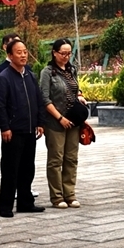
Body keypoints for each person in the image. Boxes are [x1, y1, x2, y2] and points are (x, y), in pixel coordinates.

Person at [0, 38, 46, 218]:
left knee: (27, 168)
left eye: (25, 52)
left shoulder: (30, 75)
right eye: (19, 52)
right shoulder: (4, 77)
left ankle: (25, 202)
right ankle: (5, 206)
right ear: (10, 55)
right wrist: (4, 127)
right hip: (13, 131)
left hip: (30, 129)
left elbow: (38, 100)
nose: (23, 55)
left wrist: (40, 122)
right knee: (10, 169)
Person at [40, 38, 88, 209]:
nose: (66, 56)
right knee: (56, 159)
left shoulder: (71, 69)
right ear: (54, 53)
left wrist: (80, 96)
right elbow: (45, 99)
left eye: (69, 53)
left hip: (73, 120)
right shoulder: (47, 72)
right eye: (63, 53)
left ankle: (70, 194)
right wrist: (60, 118)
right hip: (55, 122)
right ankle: (57, 196)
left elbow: (75, 89)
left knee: (71, 158)